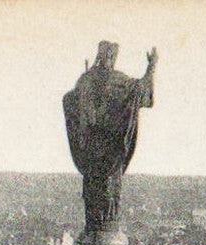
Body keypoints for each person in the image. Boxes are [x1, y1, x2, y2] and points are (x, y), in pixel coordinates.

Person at [63, 41, 158, 234]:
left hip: (90, 156)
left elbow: (68, 99)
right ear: (112, 57)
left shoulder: (85, 80)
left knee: (94, 200)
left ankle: (97, 228)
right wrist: (151, 67)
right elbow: (142, 92)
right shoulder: (118, 81)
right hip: (112, 155)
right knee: (109, 200)